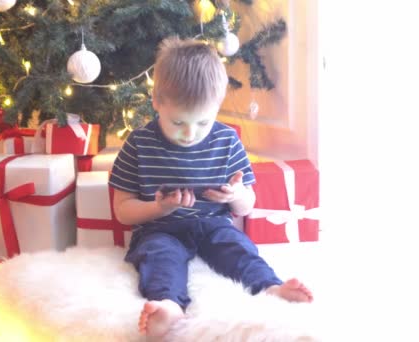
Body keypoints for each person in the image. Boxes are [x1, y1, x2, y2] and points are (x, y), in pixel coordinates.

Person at [109, 37, 313, 338]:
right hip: (159, 228)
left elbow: (248, 206)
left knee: (238, 248)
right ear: (156, 101)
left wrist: (236, 196)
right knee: (159, 256)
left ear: (217, 107)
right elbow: (123, 211)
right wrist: (159, 207)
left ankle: (270, 287)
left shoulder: (227, 140)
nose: (190, 133)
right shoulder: (139, 143)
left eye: (203, 123)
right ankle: (169, 305)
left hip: (214, 223)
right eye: (178, 121)